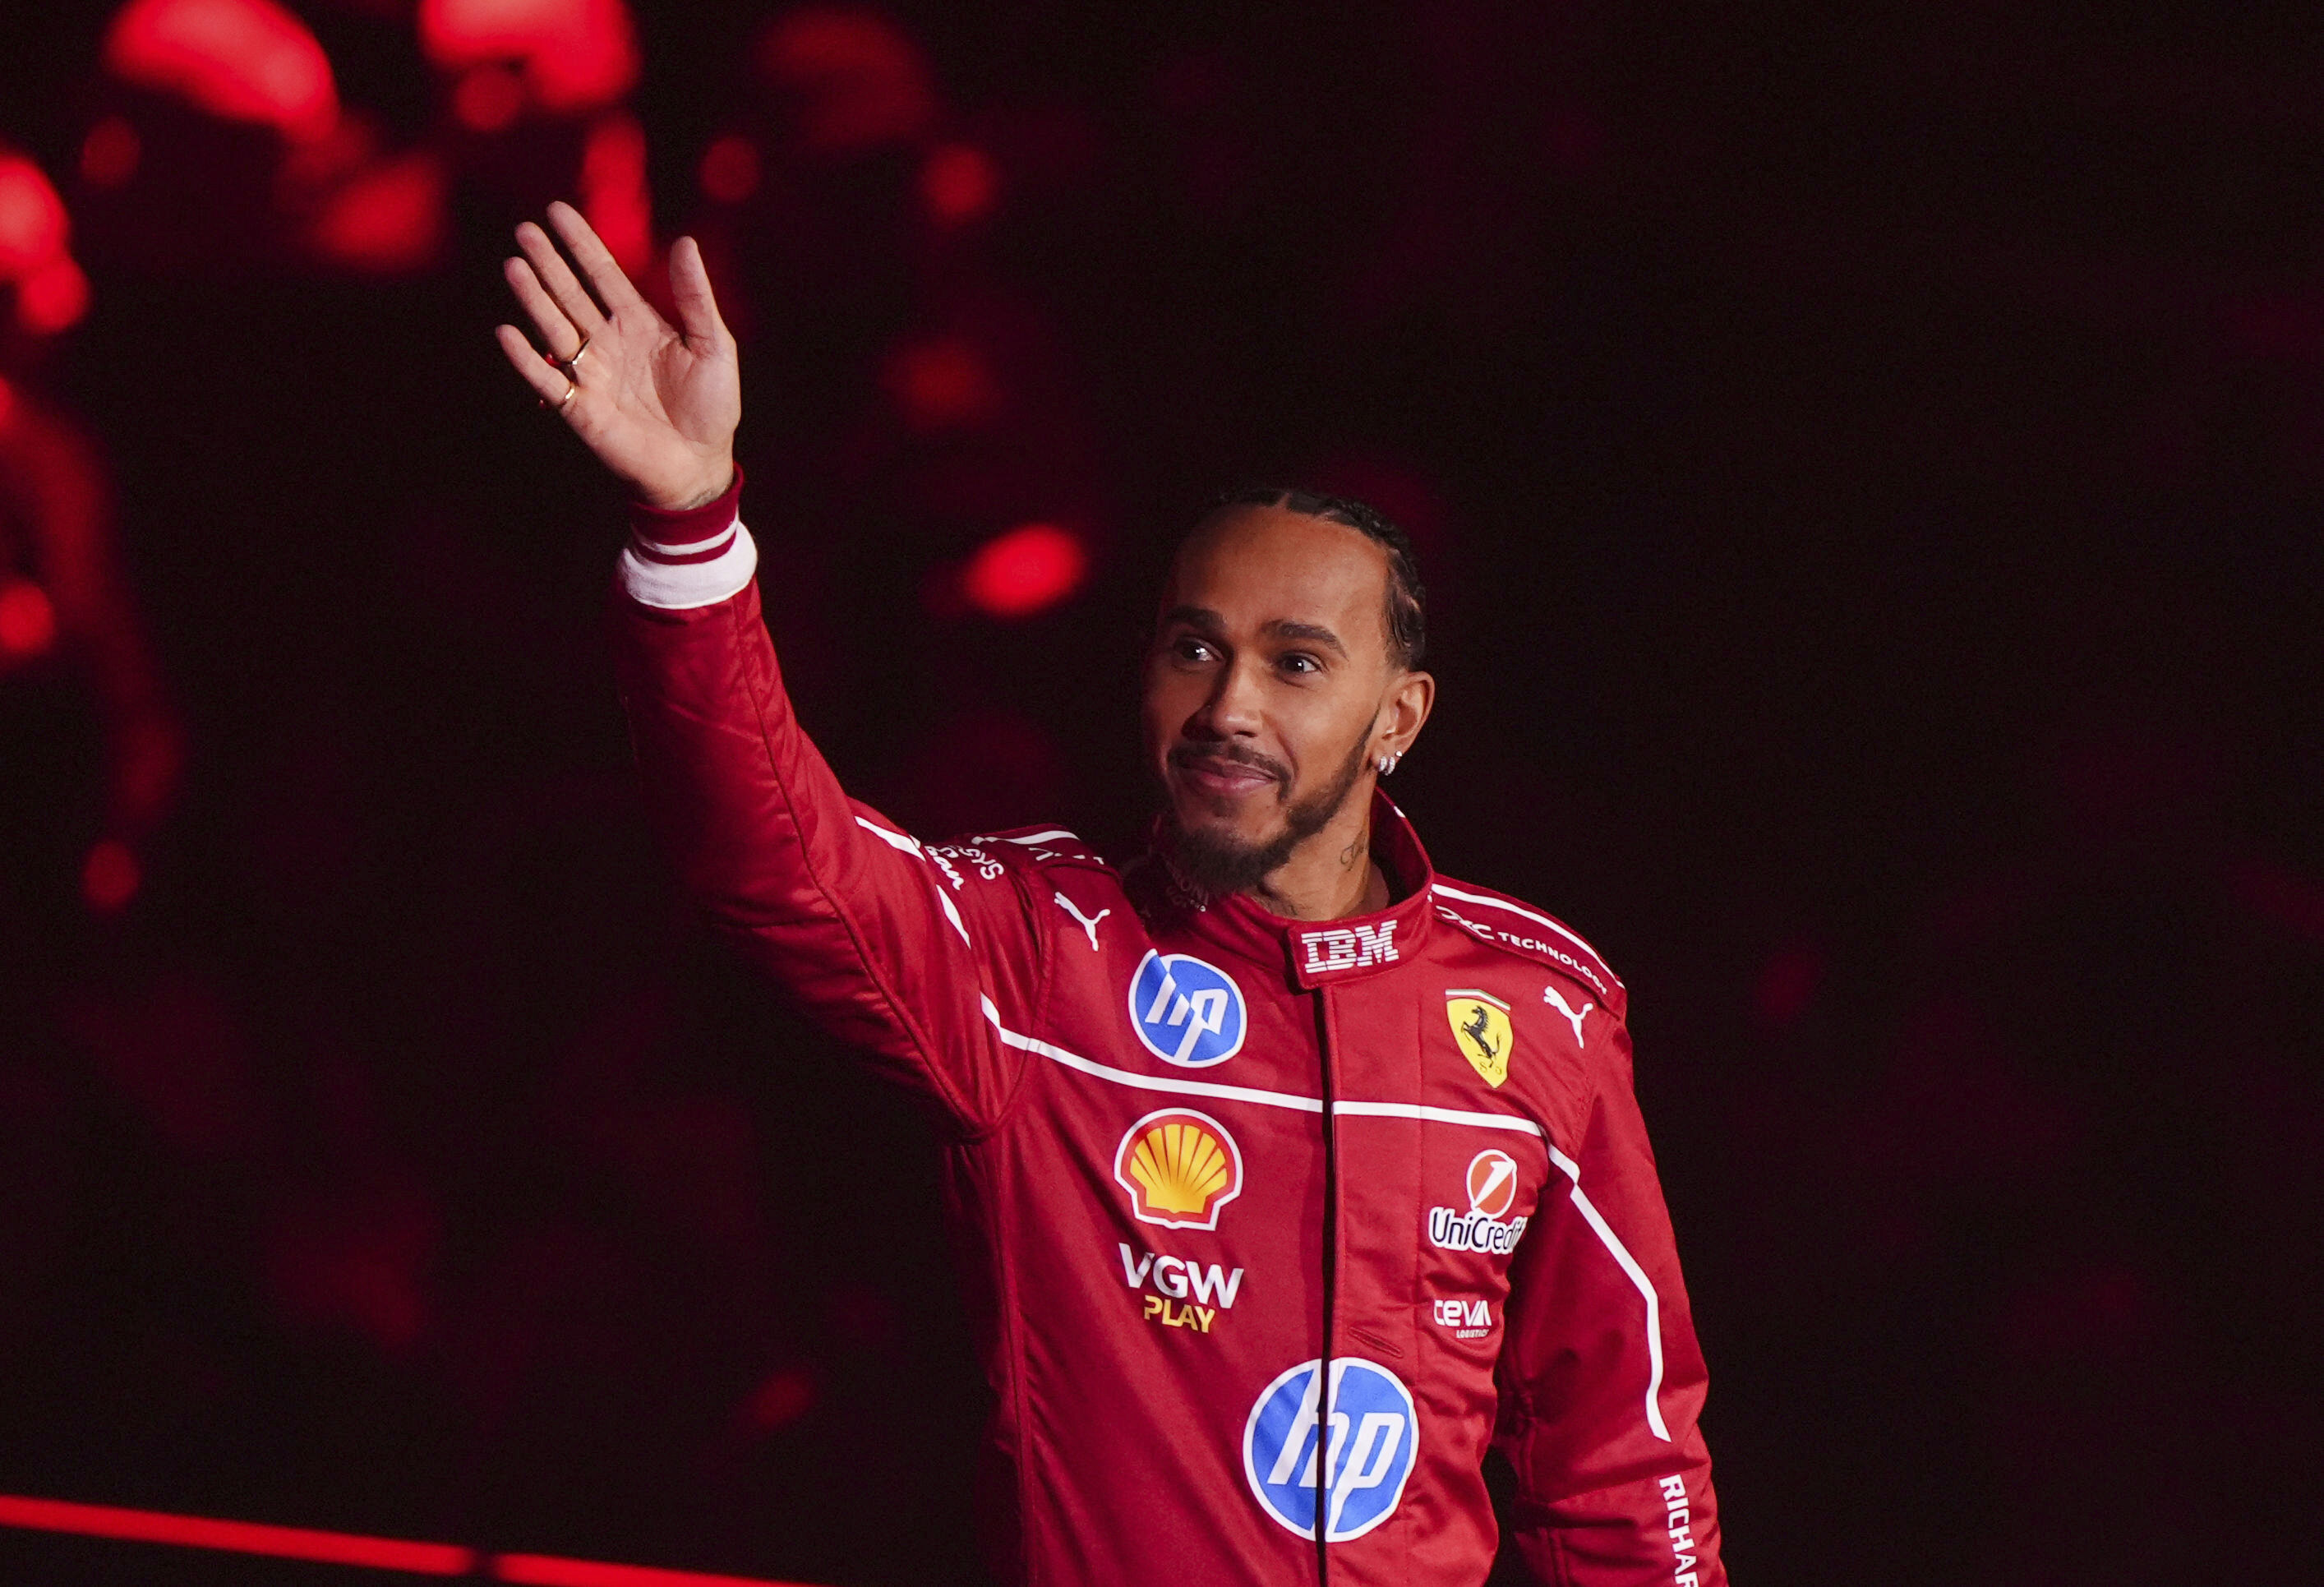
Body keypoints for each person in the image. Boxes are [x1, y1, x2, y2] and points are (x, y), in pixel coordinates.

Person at [496, 201, 1727, 1587]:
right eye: (1193, 648)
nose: (1228, 707)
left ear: (1402, 717)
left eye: (1298, 663)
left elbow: (1623, 1472)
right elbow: (778, 861)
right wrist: (687, 525)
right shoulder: (1038, 954)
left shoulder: (1545, 1008)